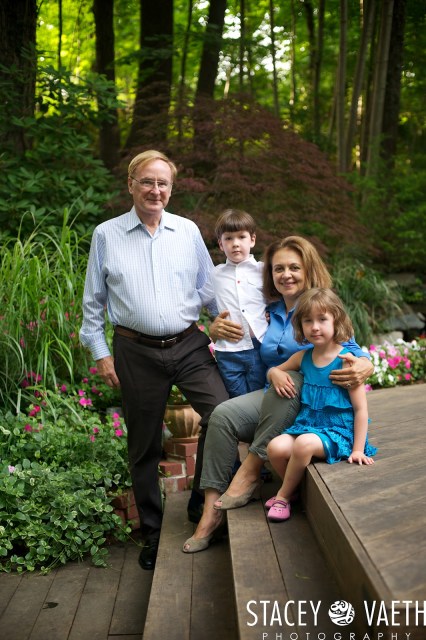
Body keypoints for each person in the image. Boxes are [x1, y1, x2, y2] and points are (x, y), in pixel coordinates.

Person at [80, 150, 228, 570]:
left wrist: (222, 322)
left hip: (189, 344)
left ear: (171, 188)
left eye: (163, 183)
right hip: (135, 351)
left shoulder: (187, 231)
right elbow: (92, 305)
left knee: (222, 414)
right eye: (147, 181)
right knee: (143, 445)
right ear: (131, 184)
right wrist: (101, 354)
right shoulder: (107, 235)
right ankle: (152, 532)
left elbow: (209, 289)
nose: (155, 190)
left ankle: (200, 501)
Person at [182, 236, 374, 553]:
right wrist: (216, 331)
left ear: (308, 269)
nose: (286, 274)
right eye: (278, 268)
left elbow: (351, 347)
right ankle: (210, 513)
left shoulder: (320, 308)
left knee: (294, 379)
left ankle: (250, 470)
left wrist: (366, 363)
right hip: (274, 397)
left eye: (294, 267)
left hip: (308, 406)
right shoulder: (267, 309)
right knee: (221, 416)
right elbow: (238, 332)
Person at [265, 287, 377, 522]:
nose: (315, 327)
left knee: (303, 444)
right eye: (308, 321)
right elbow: (275, 370)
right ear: (301, 325)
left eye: (322, 319)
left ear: (336, 320)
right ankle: (294, 490)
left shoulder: (346, 361)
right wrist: (273, 373)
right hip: (308, 426)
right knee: (274, 448)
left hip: (339, 432)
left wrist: (358, 449)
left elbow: (361, 409)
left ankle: (283, 497)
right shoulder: (303, 357)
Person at [200, 208, 268, 398]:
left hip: (259, 347)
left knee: (257, 400)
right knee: (236, 401)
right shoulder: (215, 274)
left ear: (252, 240)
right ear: (221, 244)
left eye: (241, 237)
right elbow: (198, 300)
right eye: (228, 238)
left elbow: (278, 300)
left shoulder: (263, 271)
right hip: (228, 350)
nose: (235, 243)